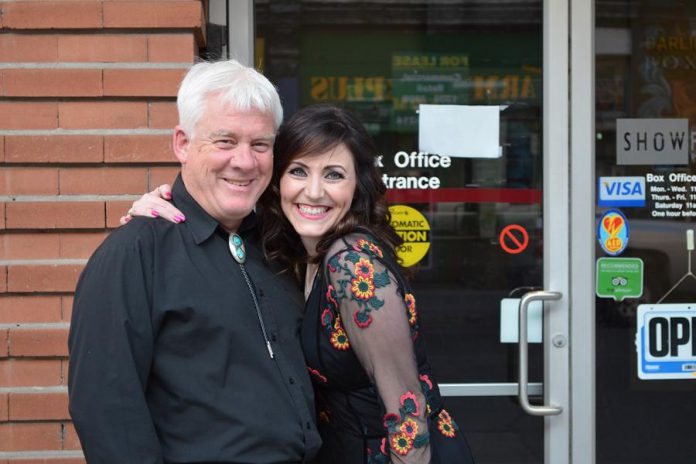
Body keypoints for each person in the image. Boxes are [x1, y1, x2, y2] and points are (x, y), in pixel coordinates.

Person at [124, 105, 476, 463]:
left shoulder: (352, 265)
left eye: (334, 175)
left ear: (358, 186)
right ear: (277, 182)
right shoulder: (290, 251)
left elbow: (408, 416)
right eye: (298, 171)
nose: (314, 191)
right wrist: (160, 206)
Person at [68, 60, 321, 464]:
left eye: (260, 145)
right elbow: (107, 412)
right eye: (224, 141)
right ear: (182, 143)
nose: (244, 161)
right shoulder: (135, 254)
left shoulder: (278, 244)